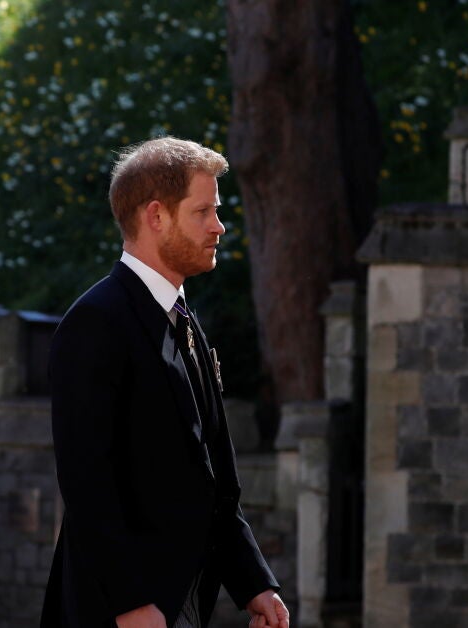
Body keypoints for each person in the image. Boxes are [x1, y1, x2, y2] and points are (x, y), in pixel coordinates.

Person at [41, 137, 288, 628]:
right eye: (203, 212)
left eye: (216, 211)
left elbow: (213, 478)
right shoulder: (96, 322)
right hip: (122, 613)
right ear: (156, 215)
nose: (219, 226)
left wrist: (254, 583)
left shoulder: (184, 320)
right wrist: (130, 602)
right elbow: (88, 483)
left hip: (183, 602)